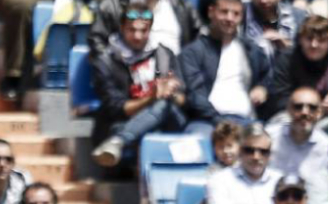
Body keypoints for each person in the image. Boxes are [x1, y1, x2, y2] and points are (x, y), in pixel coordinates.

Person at [91, 1, 190, 168]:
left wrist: (171, 93)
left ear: (150, 30)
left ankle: (119, 141)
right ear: (122, 28)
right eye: (132, 30)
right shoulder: (106, 61)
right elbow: (118, 108)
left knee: (163, 104)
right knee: (150, 131)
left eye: (143, 31)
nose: (137, 36)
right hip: (124, 121)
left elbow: (183, 100)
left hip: (169, 118)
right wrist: (151, 97)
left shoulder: (164, 54)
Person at [181, 0, 269, 131]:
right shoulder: (193, 52)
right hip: (207, 122)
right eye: (224, 12)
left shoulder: (250, 49)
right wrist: (222, 123)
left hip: (246, 120)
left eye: (236, 14)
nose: (230, 18)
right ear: (211, 12)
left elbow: (268, 75)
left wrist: (262, 87)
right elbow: (196, 98)